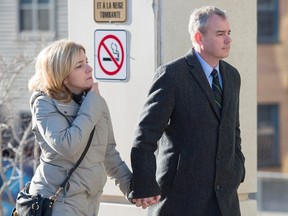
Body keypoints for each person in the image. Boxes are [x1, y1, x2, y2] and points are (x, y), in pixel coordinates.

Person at [129, 5, 245, 216]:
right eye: (220, 34)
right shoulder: (172, 75)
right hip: (180, 200)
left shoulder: (232, 76)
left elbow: (232, 129)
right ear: (199, 38)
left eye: (229, 33)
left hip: (224, 200)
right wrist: (144, 184)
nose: (228, 40)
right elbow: (145, 135)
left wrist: (238, 168)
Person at [27, 39, 132, 216]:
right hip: (57, 203)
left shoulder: (94, 102)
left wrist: (133, 189)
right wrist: (92, 104)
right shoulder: (44, 104)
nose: (89, 69)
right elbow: (67, 145)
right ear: (61, 74)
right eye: (79, 65)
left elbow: (108, 153)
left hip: (88, 204)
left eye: (87, 62)